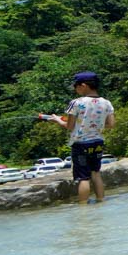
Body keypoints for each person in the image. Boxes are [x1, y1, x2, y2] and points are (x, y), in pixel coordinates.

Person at [35, 70, 114, 204]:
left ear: (83, 85)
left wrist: (57, 120)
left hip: (81, 144)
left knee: (83, 177)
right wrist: (93, 125)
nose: (75, 89)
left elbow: (69, 126)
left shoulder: (76, 103)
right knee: (96, 173)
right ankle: (101, 200)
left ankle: (83, 207)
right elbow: (111, 124)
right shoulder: (106, 103)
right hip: (98, 143)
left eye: (75, 86)